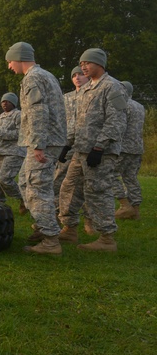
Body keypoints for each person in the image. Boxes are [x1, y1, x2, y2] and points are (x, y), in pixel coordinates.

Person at [57, 49, 127, 251]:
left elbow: (117, 120)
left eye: (87, 63)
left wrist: (99, 146)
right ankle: (69, 229)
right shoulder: (87, 89)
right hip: (80, 150)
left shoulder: (113, 87)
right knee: (68, 187)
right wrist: (68, 144)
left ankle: (106, 238)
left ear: (100, 64)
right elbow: (79, 122)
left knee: (97, 191)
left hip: (100, 153)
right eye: (81, 63)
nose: (83, 67)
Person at [5, 42, 66, 254]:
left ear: (18, 58)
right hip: (49, 140)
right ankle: (43, 226)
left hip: (43, 142)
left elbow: (38, 112)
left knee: (36, 189)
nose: (9, 66)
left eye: (10, 61)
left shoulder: (32, 78)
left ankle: (50, 240)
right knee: (24, 181)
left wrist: (38, 144)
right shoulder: (46, 75)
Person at [53, 66, 89, 197]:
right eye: (74, 75)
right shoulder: (66, 98)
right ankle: (56, 207)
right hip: (67, 144)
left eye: (80, 74)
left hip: (85, 143)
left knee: (84, 181)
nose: (77, 78)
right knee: (59, 177)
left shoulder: (93, 95)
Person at [114, 81, 144, 220]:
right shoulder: (140, 106)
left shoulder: (122, 105)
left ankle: (124, 205)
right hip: (137, 148)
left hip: (123, 148)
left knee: (110, 175)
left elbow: (118, 126)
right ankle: (135, 210)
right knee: (131, 178)